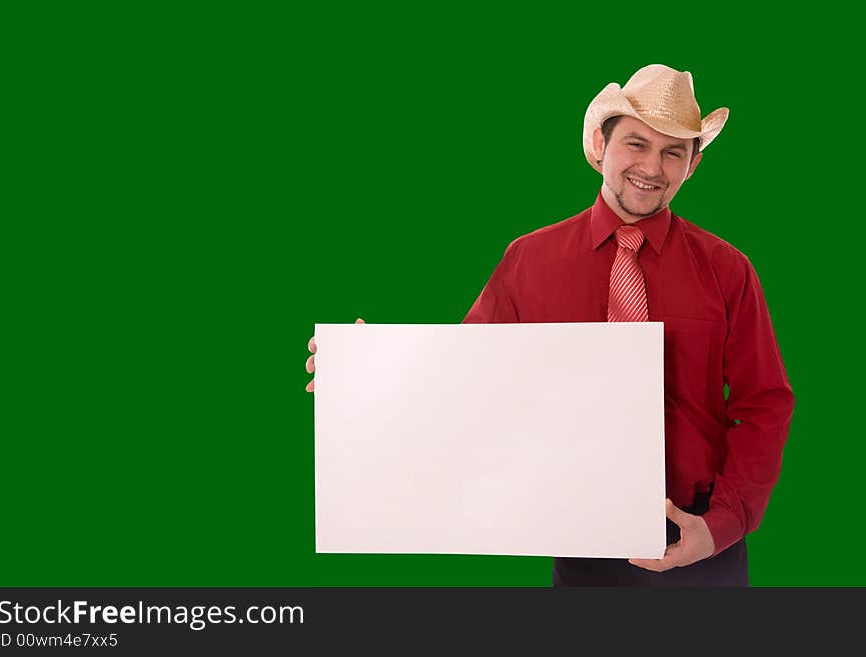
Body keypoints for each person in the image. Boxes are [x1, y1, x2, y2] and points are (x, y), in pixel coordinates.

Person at [305, 64, 794, 586]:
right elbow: (462, 378)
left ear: (692, 165)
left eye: (673, 151)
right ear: (600, 146)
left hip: (698, 540)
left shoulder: (727, 269)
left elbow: (764, 402)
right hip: (575, 534)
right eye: (636, 144)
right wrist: (367, 369)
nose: (652, 166)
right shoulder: (529, 259)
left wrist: (720, 527)